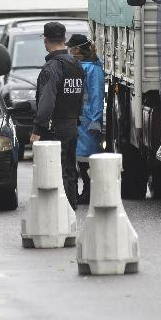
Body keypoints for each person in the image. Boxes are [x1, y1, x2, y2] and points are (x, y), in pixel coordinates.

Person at [31, 22, 85, 210]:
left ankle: (60, 212)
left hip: (55, 128)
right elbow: (81, 97)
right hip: (72, 125)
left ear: (46, 40)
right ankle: (71, 206)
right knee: (70, 169)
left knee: (57, 169)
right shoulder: (76, 64)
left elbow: (47, 100)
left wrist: (38, 128)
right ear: (64, 39)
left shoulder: (52, 67)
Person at [67, 33, 104, 205]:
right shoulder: (82, 66)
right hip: (81, 118)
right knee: (81, 157)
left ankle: (89, 192)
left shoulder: (92, 69)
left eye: (71, 48)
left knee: (88, 159)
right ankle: (87, 192)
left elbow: (97, 95)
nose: (69, 51)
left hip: (88, 119)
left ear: (78, 50)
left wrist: (96, 119)